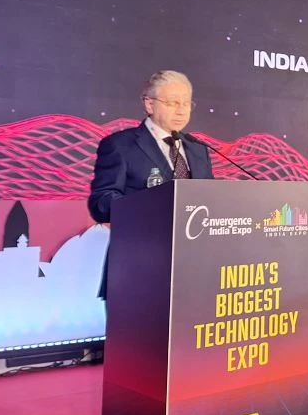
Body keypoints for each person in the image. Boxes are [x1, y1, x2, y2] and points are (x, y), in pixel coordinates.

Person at [88, 70, 214, 298]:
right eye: (173, 103)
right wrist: (149, 206)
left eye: (186, 103)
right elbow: (101, 203)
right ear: (149, 104)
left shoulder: (198, 149)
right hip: (138, 267)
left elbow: (209, 201)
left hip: (192, 268)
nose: (181, 110)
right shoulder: (120, 145)